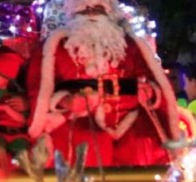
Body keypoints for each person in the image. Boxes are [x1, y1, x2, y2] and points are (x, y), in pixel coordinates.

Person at [26, 0, 180, 167]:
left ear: (108, 11)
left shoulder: (132, 45)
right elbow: (38, 88)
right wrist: (65, 101)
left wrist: (150, 91)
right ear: (72, 12)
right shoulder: (55, 45)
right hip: (78, 127)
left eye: (98, 8)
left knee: (141, 177)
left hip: (131, 128)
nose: (91, 14)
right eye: (84, 10)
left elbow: (154, 81)